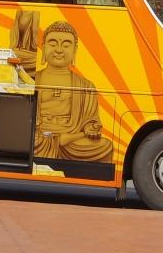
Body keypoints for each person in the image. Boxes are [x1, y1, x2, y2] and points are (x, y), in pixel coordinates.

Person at [33, 20, 113, 163]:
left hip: (71, 141)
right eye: (53, 44)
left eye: (66, 45)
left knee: (105, 145)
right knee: (24, 139)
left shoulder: (86, 86)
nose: (59, 50)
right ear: (43, 47)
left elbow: (91, 120)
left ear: (74, 50)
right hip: (39, 136)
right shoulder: (31, 80)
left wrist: (90, 129)